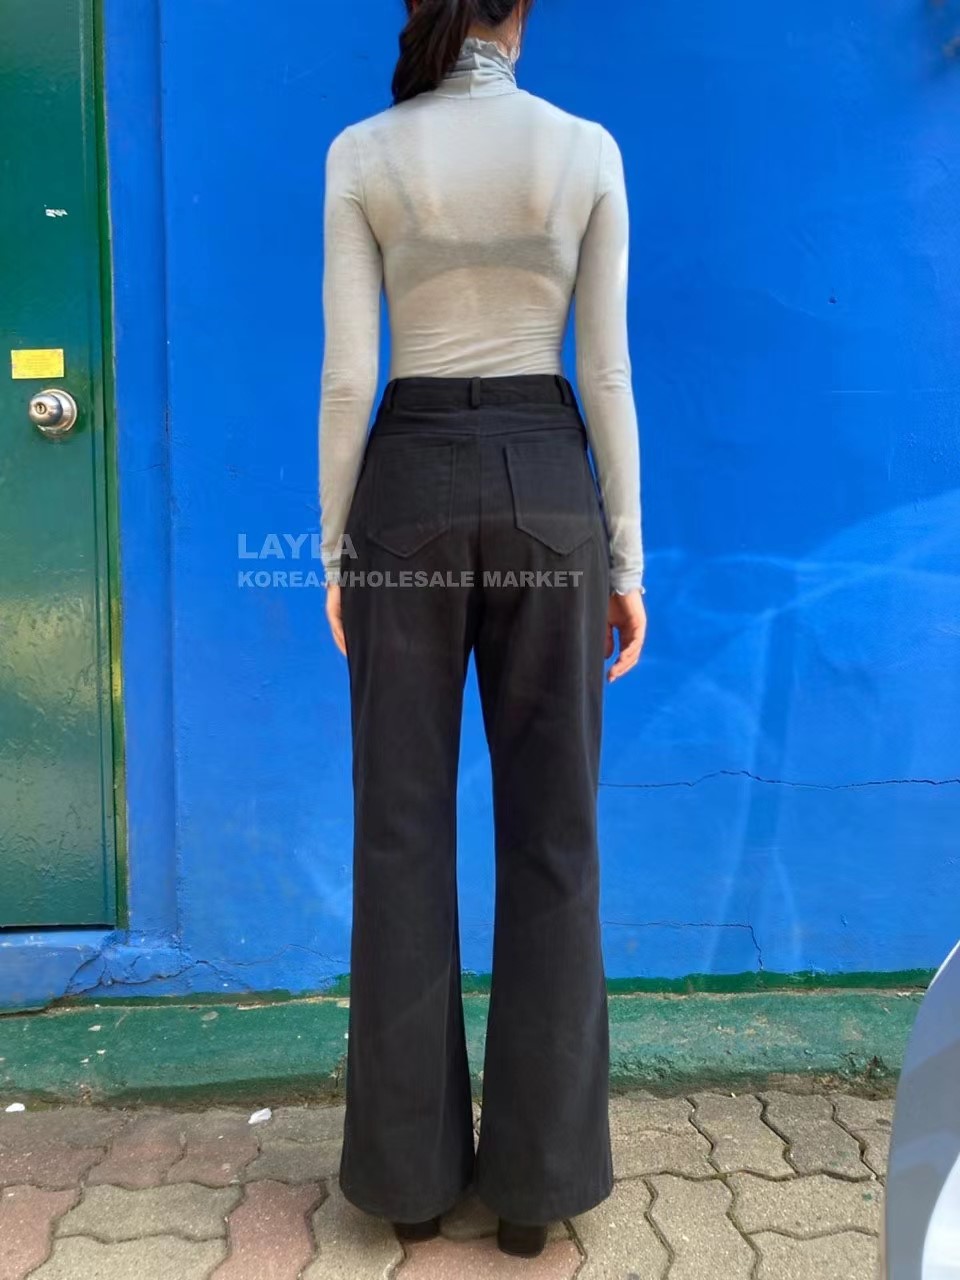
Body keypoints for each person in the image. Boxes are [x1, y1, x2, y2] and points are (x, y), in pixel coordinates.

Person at [318, 0, 647, 1259]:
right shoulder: (585, 149)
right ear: (521, 12)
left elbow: (349, 376)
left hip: (403, 486)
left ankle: (407, 1182)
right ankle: (534, 1189)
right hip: (549, 486)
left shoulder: (364, 153)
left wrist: (335, 548)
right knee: (556, 834)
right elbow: (606, 372)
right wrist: (626, 555)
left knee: (399, 830)